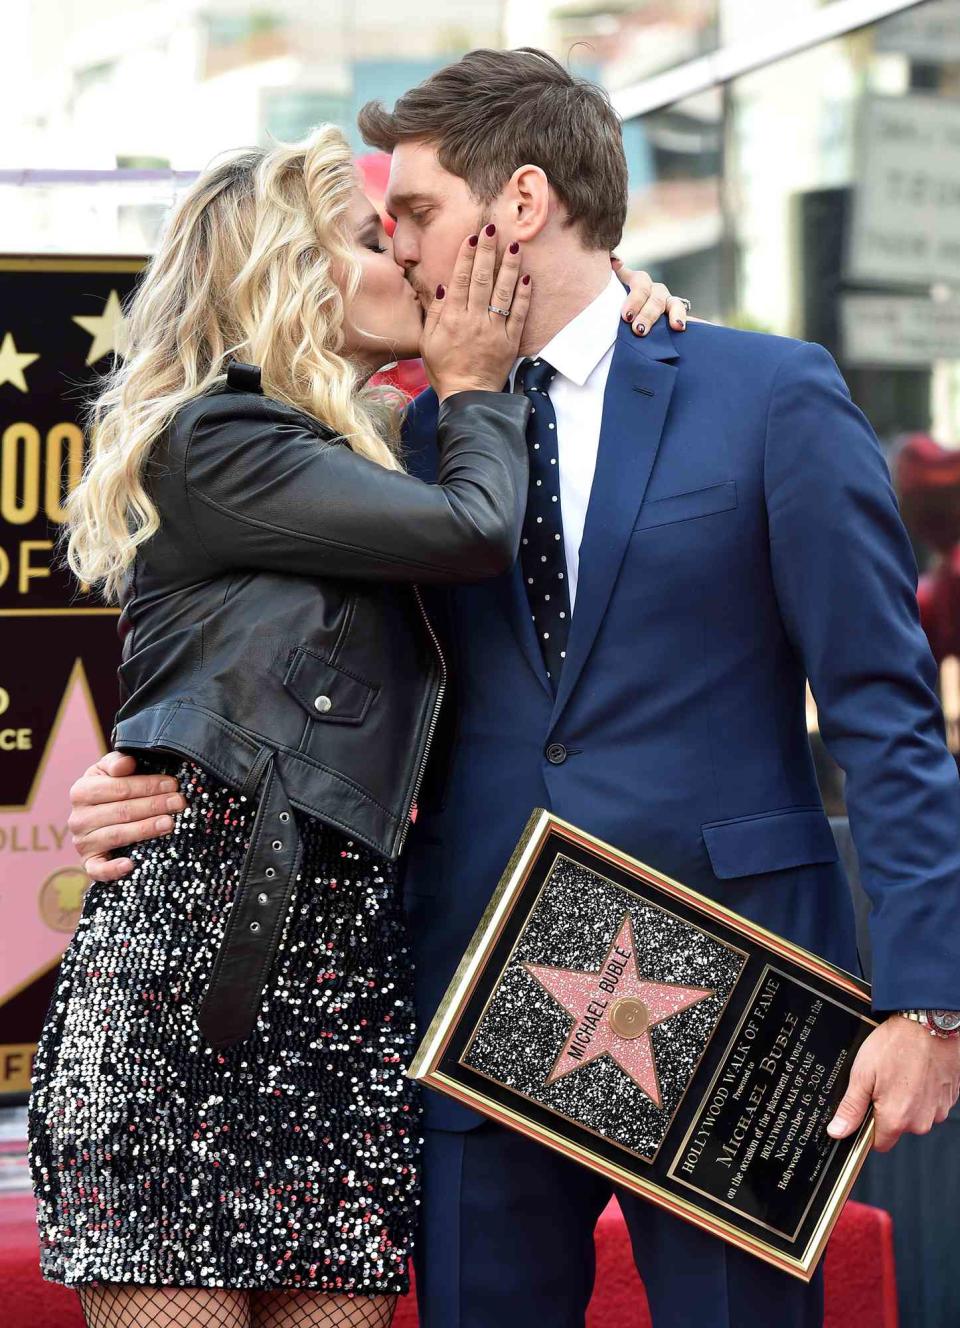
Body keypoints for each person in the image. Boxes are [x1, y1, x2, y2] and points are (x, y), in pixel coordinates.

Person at [66, 45, 960, 1328]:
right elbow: (267, 659)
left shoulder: (767, 393)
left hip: (727, 985)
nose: (401, 246)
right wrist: (145, 771)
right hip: (470, 983)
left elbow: (885, 711)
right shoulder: (401, 448)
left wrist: (930, 995)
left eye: (415, 213)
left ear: (522, 207)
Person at [30, 122, 674, 1328]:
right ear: (285, 268)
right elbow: (476, 530)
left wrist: (610, 305)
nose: (412, 259)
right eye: (372, 233)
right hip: (194, 985)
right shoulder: (219, 439)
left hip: (348, 991)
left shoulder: (362, 454)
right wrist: (476, 376)